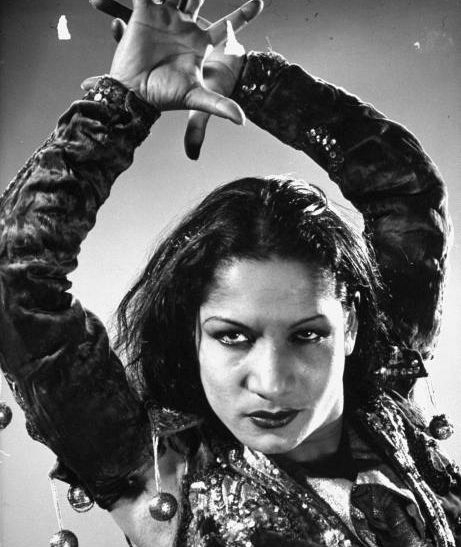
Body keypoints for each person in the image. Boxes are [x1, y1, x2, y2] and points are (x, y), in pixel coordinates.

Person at [0, 0, 459, 545]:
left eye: (308, 335)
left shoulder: (386, 396)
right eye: (233, 337)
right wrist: (122, 102)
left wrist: (249, 78)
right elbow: (17, 279)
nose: (272, 383)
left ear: (352, 326)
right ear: (191, 334)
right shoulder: (159, 475)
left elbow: (407, 193)